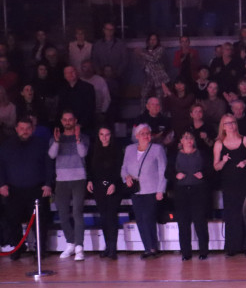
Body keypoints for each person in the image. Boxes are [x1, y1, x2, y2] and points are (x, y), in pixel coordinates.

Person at [0, 118, 54, 259]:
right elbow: (1, 166)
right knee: (13, 220)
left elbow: (49, 165)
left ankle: (40, 249)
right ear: (16, 129)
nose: (25, 131)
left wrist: (48, 183)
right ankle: (18, 247)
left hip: (37, 189)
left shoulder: (41, 144)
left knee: (40, 220)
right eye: (22, 128)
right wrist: (2, 184)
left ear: (32, 129)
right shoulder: (6, 146)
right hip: (13, 190)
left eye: (27, 128)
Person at [121, 123, 167, 259]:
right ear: (136, 136)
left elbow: (162, 170)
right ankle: (147, 248)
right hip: (136, 190)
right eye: (143, 133)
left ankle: (153, 247)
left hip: (152, 189)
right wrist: (126, 177)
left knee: (148, 218)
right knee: (140, 219)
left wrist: (161, 190)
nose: (146, 136)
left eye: (148, 133)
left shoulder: (157, 149)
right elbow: (124, 168)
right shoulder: (129, 149)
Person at [212, 114, 246, 257]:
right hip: (229, 181)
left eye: (232, 122)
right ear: (223, 126)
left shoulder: (245, 140)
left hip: (244, 180)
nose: (230, 125)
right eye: (227, 123)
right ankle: (232, 246)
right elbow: (216, 167)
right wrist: (224, 161)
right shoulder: (219, 143)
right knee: (231, 213)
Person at [49, 111, 89, 261]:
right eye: (65, 119)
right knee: (63, 213)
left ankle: (79, 247)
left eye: (70, 119)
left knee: (77, 212)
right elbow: (52, 155)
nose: (67, 122)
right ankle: (70, 242)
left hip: (79, 178)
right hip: (61, 180)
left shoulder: (83, 137)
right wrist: (57, 141)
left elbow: (83, 153)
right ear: (61, 121)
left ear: (75, 120)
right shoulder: (55, 138)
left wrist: (78, 138)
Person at [173, 132, 210, 261]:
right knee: (183, 223)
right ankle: (185, 253)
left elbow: (209, 170)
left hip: (198, 190)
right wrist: (175, 176)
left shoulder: (201, 153)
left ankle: (203, 251)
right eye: (186, 138)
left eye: (191, 138)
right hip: (181, 191)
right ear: (181, 141)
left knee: (200, 221)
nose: (188, 140)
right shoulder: (175, 155)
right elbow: (169, 172)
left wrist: (203, 174)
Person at [88, 126, 122, 259]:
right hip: (99, 187)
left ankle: (113, 248)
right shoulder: (94, 149)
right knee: (103, 217)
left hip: (114, 186)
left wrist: (114, 183)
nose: (104, 137)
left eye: (107, 134)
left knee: (111, 216)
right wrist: (90, 180)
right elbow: (90, 167)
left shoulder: (117, 149)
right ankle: (107, 246)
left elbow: (119, 168)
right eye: (101, 134)